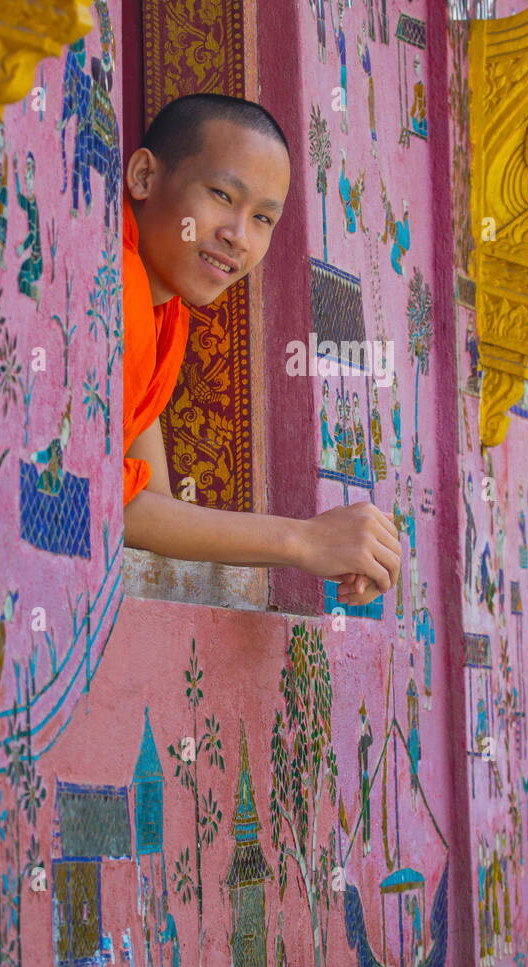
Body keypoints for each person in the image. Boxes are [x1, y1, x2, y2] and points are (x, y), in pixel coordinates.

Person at [122, 94, 401, 609]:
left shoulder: (167, 313)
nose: (238, 237)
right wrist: (302, 541)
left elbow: (150, 509)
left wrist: (328, 545)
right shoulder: (118, 282)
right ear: (143, 176)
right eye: (222, 195)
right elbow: (116, 508)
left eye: (263, 220)